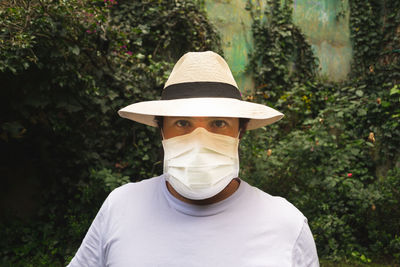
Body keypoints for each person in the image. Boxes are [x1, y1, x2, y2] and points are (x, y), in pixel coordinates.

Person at [68, 51, 319, 266]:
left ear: (240, 132)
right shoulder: (120, 208)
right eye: (183, 123)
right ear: (162, 131)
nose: (200, 139)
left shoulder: (286, 224)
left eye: (218, 123)